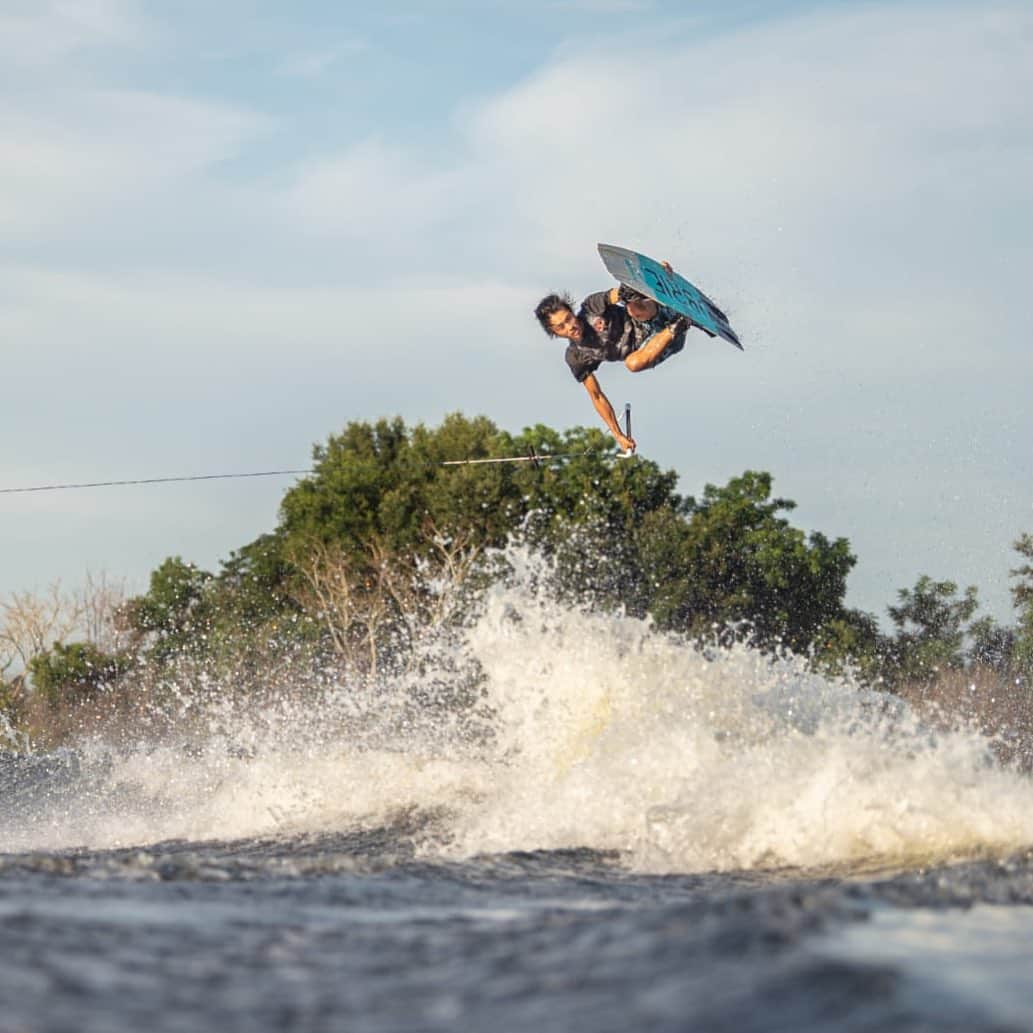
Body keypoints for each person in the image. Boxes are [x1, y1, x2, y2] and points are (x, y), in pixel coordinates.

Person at [534, 281, 689, 453]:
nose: (570, 326)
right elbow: (597, 396)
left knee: (632, 306)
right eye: (561, 327)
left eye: (568, 319)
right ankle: (682, 321)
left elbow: (620, 292)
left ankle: (667, 300)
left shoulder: (591, 307)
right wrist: (618, 435)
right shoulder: (576, 356)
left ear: (572, 312)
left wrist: (657, 276)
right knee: (632, 364)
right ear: (554, 332)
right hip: (661, 342)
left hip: (655, 313)